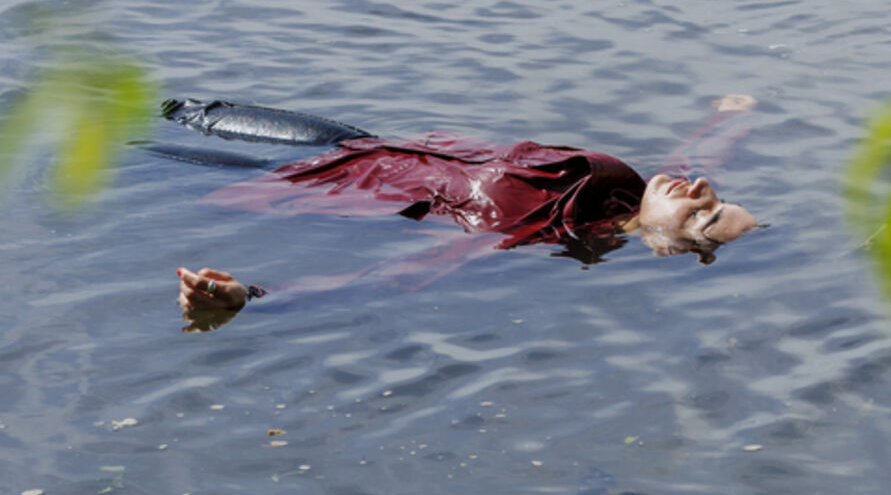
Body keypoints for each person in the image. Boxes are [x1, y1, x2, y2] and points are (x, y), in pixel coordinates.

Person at [169, 95, 759, 331]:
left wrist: (257, 296)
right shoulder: (628, 190)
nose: (701, 191)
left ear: (663, 246)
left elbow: (403, 275)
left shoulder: (541, 232)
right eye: (717, 198)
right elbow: (696, 160)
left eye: (703, 218)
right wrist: (734, 117)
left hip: (307, 180)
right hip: (354, 141)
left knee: (138, 151)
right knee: (175, 106)